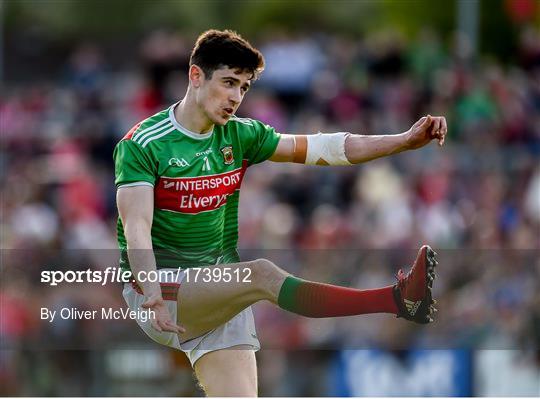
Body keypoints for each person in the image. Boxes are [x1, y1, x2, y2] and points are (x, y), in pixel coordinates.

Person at [114, 29, 446, 396]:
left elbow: (326, 148)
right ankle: (396, 300)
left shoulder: (241, 135)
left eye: (243, 87)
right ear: (196, 76)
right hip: (158, 287)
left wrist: (402, 141)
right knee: (262, 275)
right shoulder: (143, 143)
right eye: (228, 82)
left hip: (219, 291)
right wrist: (153, 293)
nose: (235, 97)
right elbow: (137, 227)